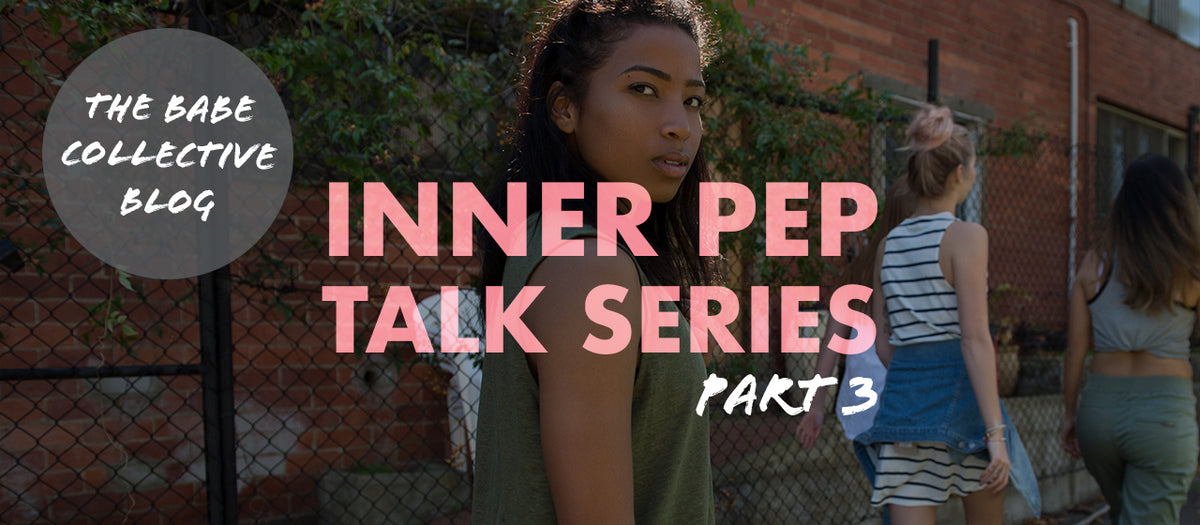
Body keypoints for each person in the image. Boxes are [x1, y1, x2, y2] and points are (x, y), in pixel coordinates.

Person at [471, 0, 718, 523]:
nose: (680, 125)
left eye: (693, 100)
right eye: (643, 89)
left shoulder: (555, 241)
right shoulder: (587, 264)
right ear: (565, 108)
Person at [853, 105, 1040, 525]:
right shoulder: (968, 237)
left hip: (905, 414)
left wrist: (916, 375)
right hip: (968, 415)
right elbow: (975, 339)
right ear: (959, 172)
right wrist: (997, 436)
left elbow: (884, 343)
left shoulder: (888, 246)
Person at [1061, 153, 1200, 525]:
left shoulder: (1095, 264)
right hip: (1165, 419)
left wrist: (1070, 415)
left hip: (1099, 417)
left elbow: (1075, 351)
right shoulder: (1191, 268)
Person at [795, 174, 918, 523]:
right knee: (902, 501)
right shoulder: (905, 266)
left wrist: (817, 405)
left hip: (863, 407)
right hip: (896, 402)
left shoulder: (859, 270)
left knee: (894, 500)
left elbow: (830, 344)